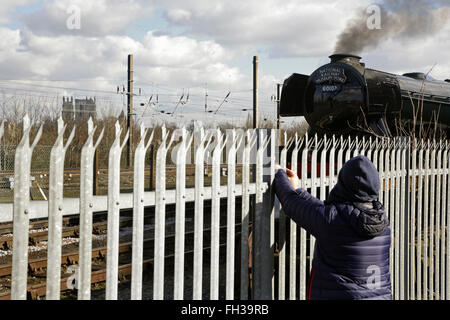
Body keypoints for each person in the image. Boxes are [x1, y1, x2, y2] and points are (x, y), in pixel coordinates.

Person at [274, 155, 391, 300]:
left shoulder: (332, 220)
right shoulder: (383, 224)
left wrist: (279, 173)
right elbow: (323, 211)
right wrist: (299, 190)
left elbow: (291, 202)